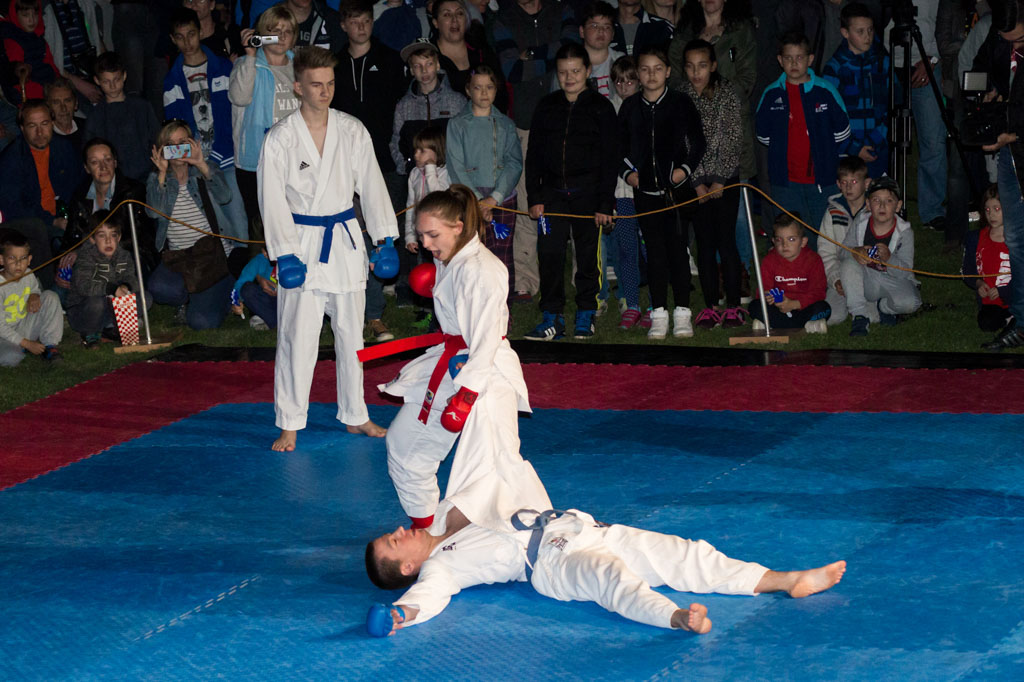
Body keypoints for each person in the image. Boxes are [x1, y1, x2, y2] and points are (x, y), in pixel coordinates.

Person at [365, 498, 847, 635]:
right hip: (552, 561)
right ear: (406, 567)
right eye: (393, 541)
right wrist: (401, 615)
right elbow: (427, 599)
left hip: (585, 528)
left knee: (685, 554)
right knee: (611, 580)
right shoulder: (439, 568)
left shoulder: (451, 516)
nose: (400, 529)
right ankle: (677, 617)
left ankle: (788, 580)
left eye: (392, 531)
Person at [381, 185, 548, 531]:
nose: (425, 244)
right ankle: (427, 531)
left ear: (458, 227)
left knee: (496, 468)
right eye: (421, 235)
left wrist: (467, 395)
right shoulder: (449, 258)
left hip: (486, 373)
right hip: (452, 363)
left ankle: (534, 536)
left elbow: (486, 339)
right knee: (405, 446)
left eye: (433, 235)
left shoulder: (482, 270)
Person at [257, 46, 398, 452]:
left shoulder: (352, 130)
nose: (325, 91)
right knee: (297, 338)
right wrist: (283, 252)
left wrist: (385, 238)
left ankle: (356, 414)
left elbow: (372, 184)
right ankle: (289, 422)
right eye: (316, 84)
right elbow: (271, 199)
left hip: (345, 239)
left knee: (352, 336)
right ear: (298, 87)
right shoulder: (281, 138)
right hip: (301, 242)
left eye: (330, 83)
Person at [524, 43, 618, 341]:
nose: (569, 77)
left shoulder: (601, 108)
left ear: (588, 71)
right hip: (551, 196)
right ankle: (552, 315)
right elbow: (534, 155)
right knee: (549, 254)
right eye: (563, 72)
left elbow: (610, 159)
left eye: (576, 71)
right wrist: (535, 197)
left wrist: (605, 203)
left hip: (588, 195)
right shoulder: (547, 106)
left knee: (588, 256)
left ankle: (586, 311)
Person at [617, 44, 705, 340]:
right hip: (646, 195)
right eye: (645, 69)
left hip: (676, 194)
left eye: (657, 69)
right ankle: (658, 313)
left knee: (678, 253)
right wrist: (629, 174)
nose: (651, 75)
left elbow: (698, 142)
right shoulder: (630, 107)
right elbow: (618, 147)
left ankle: (682, 311)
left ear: (668, 72)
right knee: (654, 254)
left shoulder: (680, 103)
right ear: (638, 74)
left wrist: (684, 170)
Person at [493, 0, 578, 304]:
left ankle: (581, 279)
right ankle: (526, 281)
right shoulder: (503, 18)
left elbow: (571, 51)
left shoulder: (562, 10)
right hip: (525, 124)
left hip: (567, 123)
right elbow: (512, 70)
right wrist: (552, 56)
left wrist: (530, 53)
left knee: (572, 200)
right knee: (529, 202)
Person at [145, 120, 242, 330]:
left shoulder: (204, 170)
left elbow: (225, 196)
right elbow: (153, 212)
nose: (177, 149)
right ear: (162, 149)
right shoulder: (156, 178)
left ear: (192, 143)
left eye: (182, 142)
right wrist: (161, 174)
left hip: (211, 256)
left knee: (201, 322)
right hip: (180, 258)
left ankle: (224, 291)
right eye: (171, 144)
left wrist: (201, 164)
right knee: (159, 287)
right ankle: (190, 297)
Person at [163, 8, 248, 249]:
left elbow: (235, 114)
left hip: (227, 156)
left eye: (191, 34)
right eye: (180, 37)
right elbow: (174, 126)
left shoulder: (223, 67)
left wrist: (226, 147)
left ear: (200, 32)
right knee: (216, 225)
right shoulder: (172, 80)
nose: (187, 42)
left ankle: (246, 268)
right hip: (197, 161)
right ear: (172, 39)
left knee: (238, 219)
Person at [444, 65, 522, 304]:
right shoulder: (457, 124)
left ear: (496, 90)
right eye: (478, 88)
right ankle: (473, 307)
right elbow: (455, 165)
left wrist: (494, 198)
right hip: (469, 197)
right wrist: (477, 200)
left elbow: (514, 162)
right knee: (472, 255)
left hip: (502, 197)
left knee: (502, 256)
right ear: (468, 90)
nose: (484, 93)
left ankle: (502, 310)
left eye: (489, 87)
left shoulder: (506, 124)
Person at [680, 39, 744, 330]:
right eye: (690, 67)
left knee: (726, 242)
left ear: (714, 66)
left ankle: (733, 305)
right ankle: (710, 306)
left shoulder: (726, 93)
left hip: (724, 180)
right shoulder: (681, 97)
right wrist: (696, 183)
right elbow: (682, 143)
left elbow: (732, 138)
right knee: (704, 244)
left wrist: (719, 180)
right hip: (695, 182)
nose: (696, 72)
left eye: (702, 66)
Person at [229, 4, 299, 241]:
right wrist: (250, 56)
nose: (281, 36)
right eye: (274, 31)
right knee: (261, 229)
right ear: (261, 34)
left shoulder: (300, 67)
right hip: (255, 161)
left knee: (294, 224)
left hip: (293, 159)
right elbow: (239, 97)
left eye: (287, 31)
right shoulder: (246, 64)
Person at [331, 0, 409, 211]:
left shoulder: (391, 59)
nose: (362, 27)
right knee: (353, 222)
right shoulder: (334, 64)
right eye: (355, 22)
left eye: (366, 21)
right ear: (343, 25)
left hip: (386, 157)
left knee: (391, 219)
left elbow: (403, 105)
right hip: (347, 159)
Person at [0, 98, 84, 288]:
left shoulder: (64, 148)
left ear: (52, 123)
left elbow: (78, 189)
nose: (40, 132)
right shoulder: (11, 159)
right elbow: (14, 207)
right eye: (32, 126)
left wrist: (71, 218)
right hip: (31, 223)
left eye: (44, 124)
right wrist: (52, 221)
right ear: (22, 128)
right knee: (39, 228)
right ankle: (48, 289)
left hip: (64, 219)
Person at [839, 176, 921, 337]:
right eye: (876, 200)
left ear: (898, 206)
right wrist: (856, 251)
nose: (882, 206)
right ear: (868, 204)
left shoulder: (904, 232)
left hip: (891, 279)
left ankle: (883, 308)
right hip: (867, 278)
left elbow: (905, 271)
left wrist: (890, 259)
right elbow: (842, 252)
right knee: (848, 264)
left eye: (889, 201)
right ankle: (859, 315)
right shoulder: (860, 222)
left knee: (912, 303)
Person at [821, 3, 890, 180]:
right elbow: (829, 117)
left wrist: (877, 139)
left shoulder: (882, 63)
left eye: (870, 30)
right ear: (845, 33)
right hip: (847, 153)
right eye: (860, 32)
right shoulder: (834, 69)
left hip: (877, 149)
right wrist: (854, 147)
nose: (867, 36)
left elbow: (891, 105)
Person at [65, 209, 152, 347]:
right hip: (83, 310)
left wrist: (126, 286)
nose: (108, 241)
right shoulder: (85, 257)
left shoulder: (124, 256)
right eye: (101, 236)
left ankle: (112, 328)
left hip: (109, 308)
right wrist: (111, 288)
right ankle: (90, 332)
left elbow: (132, 278)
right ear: (92, 239)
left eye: (113, 235)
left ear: (119, 237)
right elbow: (84, 286)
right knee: (97, 302)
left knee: (145, 297)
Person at [607, 56, 646, 331]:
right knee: (626, 249)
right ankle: (632, 304)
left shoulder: (646, 106)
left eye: (630, 81)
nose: (624, 86)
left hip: (647, 190)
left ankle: (655, 306)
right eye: (619, 82)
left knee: (651, 248)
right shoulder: (608, 109)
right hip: (622, 193)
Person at [390, 38, 466, 176]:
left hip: (451, 177)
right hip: (417, 178)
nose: (424, 70)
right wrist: (407, 168)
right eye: (417, 66)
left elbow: (467, 139)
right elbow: (396, 142)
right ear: (411, 70)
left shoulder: (457, 101)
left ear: (437, 65)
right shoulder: (404, 106)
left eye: (429, 64)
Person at [84, 51, 161, 183]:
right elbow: (90, 152)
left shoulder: (142, 107)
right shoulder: (95, 116)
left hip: (148, 177)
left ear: (124, 76)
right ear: (97, 81)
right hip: (114, 181)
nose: (113, 86)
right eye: (106, 81)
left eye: (117, 79)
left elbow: (157, 139)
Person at [750, 214, 830, 334]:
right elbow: (763, 290)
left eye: (791, 239)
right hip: (779, 307)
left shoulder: (813, 260)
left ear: (803, 242)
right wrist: (770, 297)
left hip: (802, 306)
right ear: (773, 241)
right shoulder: (769, 260)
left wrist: (795, 304)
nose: (785, 245)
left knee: (824, 308)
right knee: (754, 306)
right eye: (779, 240)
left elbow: (818, 292)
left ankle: (771, 323)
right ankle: (805, 325)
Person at [818, 155, 869, 326]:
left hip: (868, 278)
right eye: (844, 182)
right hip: (840, 274)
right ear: (838, 184)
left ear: (866, 183)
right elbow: (825, 252)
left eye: (854, 182)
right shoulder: (832, 213)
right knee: (832, 317)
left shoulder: (873, 212)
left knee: (873, 316)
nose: (848, 187)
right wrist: (836, 280)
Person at [0, 229, 62, 364]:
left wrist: (34, 295)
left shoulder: (28, 274)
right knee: (11, 358)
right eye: (12, 258)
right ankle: (24, 347)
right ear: (1, 259)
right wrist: (27, 343)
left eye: (23, 258)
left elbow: (35, 288)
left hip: (24, 325)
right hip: (3, 335)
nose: (18, 264)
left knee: (50, 296)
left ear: (29, 260)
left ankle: (50, 346)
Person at [431, 0, 506, 112]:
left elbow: (500, 93)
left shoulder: (481, 50)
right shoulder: (428, 56)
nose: (454, 19)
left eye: (460, 13)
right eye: (447, 15)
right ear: (436, 22)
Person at [962, 185, 1012, 333]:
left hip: (1015, 295)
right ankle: (1011, 320)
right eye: (987, 210)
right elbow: (967, 269)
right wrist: (978, 283)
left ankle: (1014, 318)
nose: (991, 215)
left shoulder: (1017, 240)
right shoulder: (975, 238)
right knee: (986, 323)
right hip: (991, 300)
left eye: (997, 209)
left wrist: (1004, 290)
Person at [41, 0, 106, 105]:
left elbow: (99, 44)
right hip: (63, 78)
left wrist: (105, 77)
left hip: (91, 70)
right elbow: (47, 61)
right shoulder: (44, 10)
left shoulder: (87, 4)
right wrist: (80, 84)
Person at [0, 0, 60, 105]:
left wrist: (59, 82)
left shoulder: (38, 37)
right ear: (15, 15)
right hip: (26, 91)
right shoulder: (12, 40)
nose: (32, 20)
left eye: (35, 14)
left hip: (47, 85)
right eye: (25, 15)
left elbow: (50, 62)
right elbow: (19, 78)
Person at [579, 2, 623, 100]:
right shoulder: (569, 64)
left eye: (607, 27)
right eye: (594, 26)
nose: (601, 31)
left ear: (613, 34)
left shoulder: (622, 61)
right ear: (582, 31)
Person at [230, 245, 276, 330]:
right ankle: (274, 322)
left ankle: (271, 321)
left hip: (288, 300)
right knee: (247, 289)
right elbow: (240, 284)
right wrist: (236, 302)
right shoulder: (259, 261)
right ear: (265, 253)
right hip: (267, 300)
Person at [45, 77, 84, 152]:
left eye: (67, 101)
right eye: (56, 102)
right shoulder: (44, 137)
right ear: (48, 106)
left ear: (76, 103)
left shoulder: (89, 128)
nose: (63, 108)